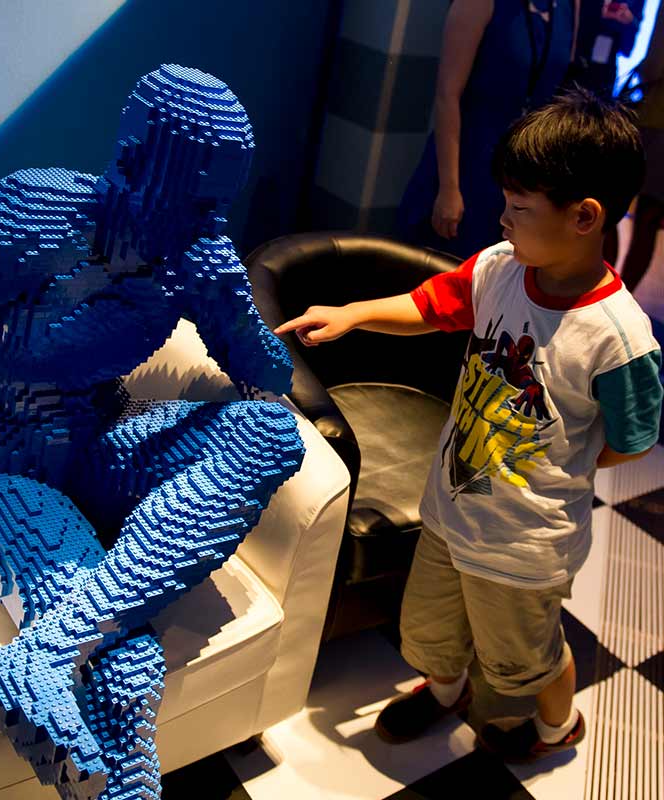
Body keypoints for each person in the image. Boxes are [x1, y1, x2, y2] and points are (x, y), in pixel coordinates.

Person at [275, 88, 663, 762]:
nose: (501, 218)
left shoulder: (618, 337)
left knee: (524, 660)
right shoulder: (499, 270)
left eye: (518, 207)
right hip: (451, 512)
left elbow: (631, 441)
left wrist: (561, 464)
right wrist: (354, 313)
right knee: (428, 630)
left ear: (585, 217)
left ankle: (556, 725)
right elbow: (430, 305)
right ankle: (445, 687)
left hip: (525, 548)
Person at [395, 0, 578, 259]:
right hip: (469, 161)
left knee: (497, 278)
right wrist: (449, 188)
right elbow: (447, 96)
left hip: (523, 172)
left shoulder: (569, 7)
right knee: (441, 269)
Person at [605, 0, 664, 294]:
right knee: (648, 221)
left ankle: (609, 293)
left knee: (608, 199)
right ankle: (620, 293)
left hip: (654, 119)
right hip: (654, 122)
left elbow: (652, 64)